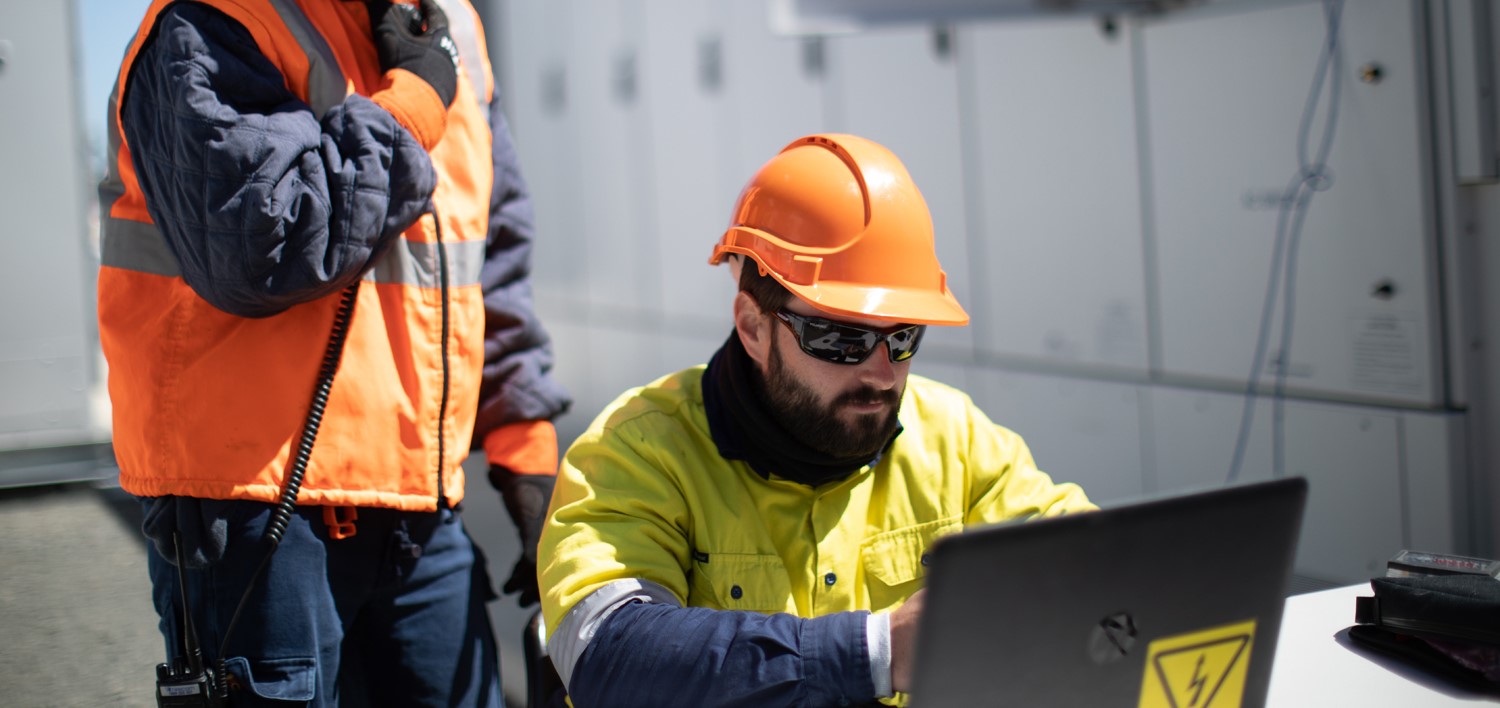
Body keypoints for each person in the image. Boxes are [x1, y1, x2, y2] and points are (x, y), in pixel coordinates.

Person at [96, 0, 570, 704]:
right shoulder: (210, 22)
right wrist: (412, 102)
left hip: (419, 512)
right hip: (255, 512)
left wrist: (526, 454)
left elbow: (484, 265)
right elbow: (266, 246)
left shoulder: (448, 27)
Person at [537, 133, 1095, 707]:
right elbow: (608, 654)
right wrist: (878, 650)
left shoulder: (956, 439)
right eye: (841, 338)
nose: (881, 374)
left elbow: (1103, 569)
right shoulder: (638, 451)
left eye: (903, 338)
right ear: (754, 327)